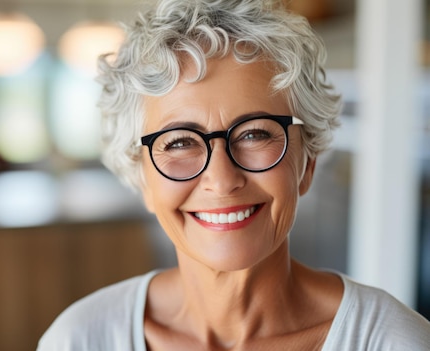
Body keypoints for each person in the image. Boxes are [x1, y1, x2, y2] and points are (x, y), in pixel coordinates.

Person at [38, 0, 430, 349]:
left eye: (255, 133)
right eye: (178, 142)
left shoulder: (394, 341)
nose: (222, 179)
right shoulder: (80, 338)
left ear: (306, 164)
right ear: (143, 177)